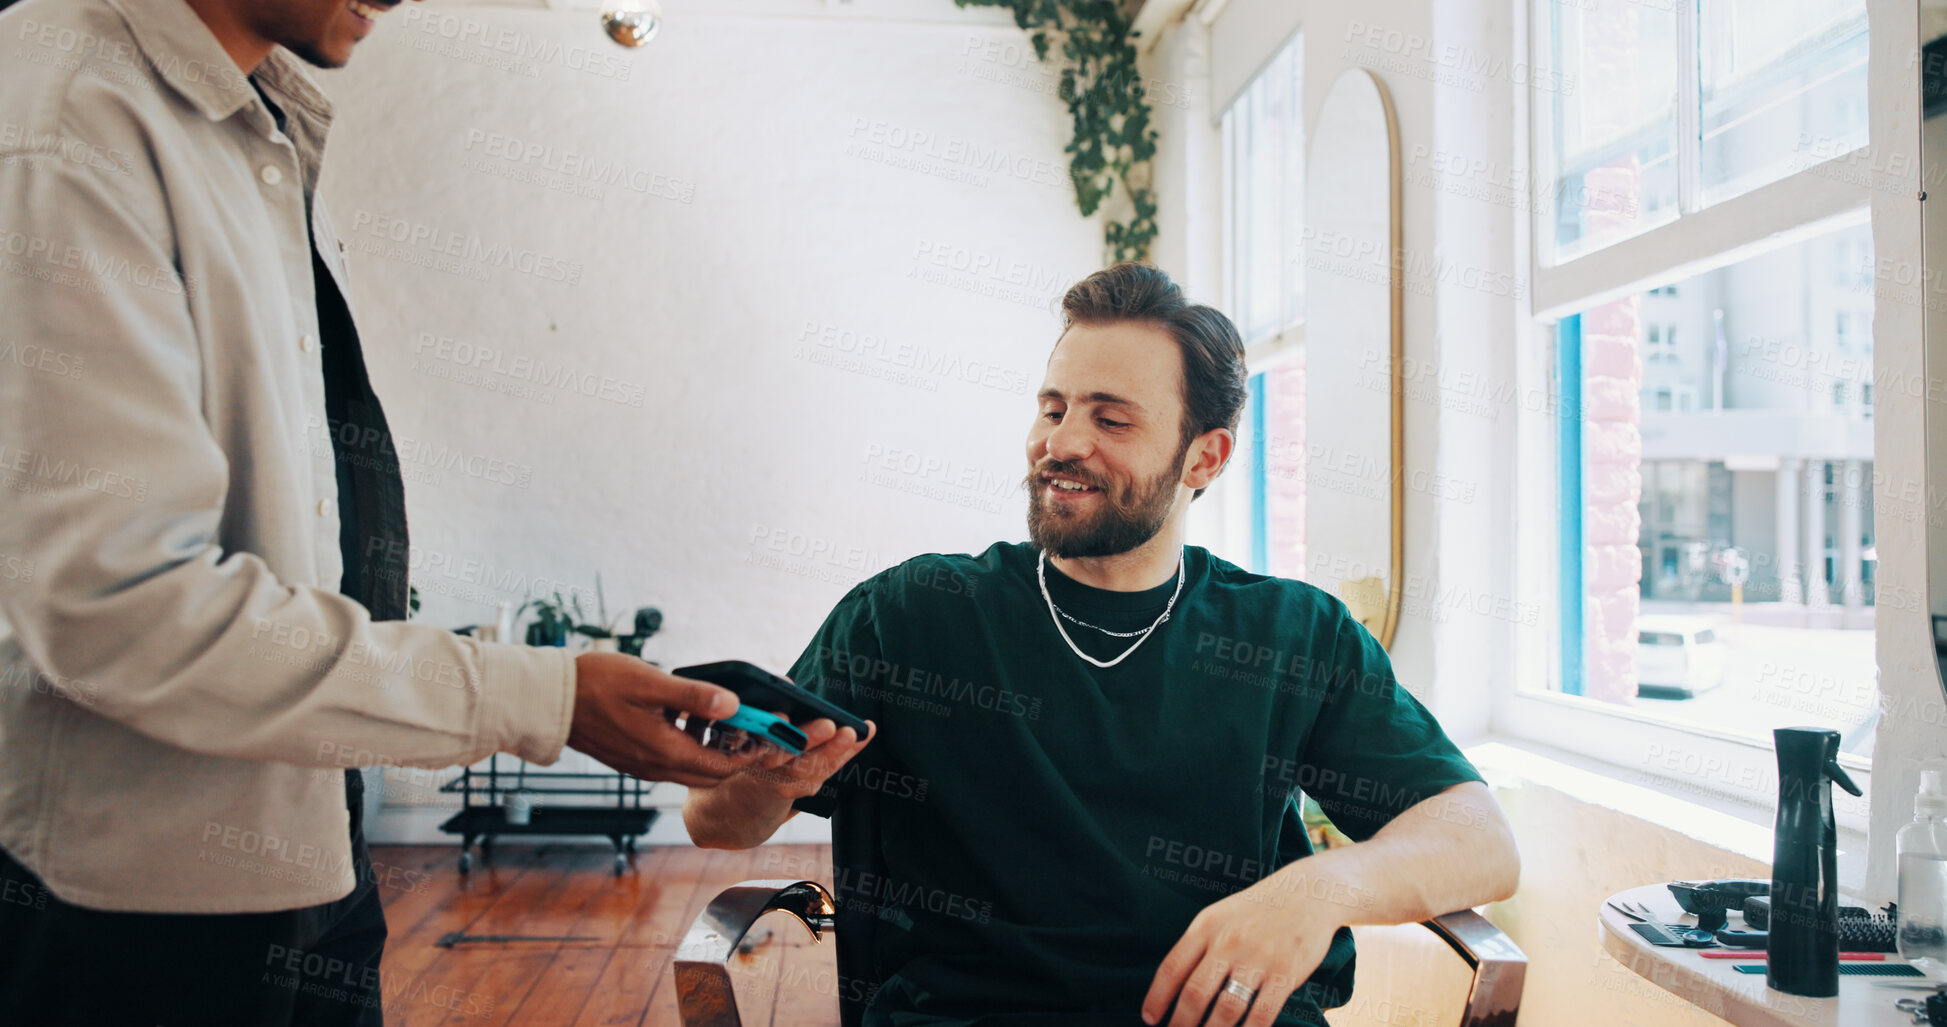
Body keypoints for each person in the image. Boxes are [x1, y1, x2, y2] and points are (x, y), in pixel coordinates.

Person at [0, 0, 782, 1022]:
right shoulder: (68, 116)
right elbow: (126, 606)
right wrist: (544, 697)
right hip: (135, 911)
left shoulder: (250, 123)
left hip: (311, 843)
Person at [684, 263, 1522, 1027]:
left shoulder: (1291, 634)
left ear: (1206, 456)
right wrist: (766, 784)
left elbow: (1480, 838)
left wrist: (1318, 888)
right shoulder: (913, 614)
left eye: (1110, 419)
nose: (1061, 443)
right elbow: (713, 820)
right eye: (1053, 408)